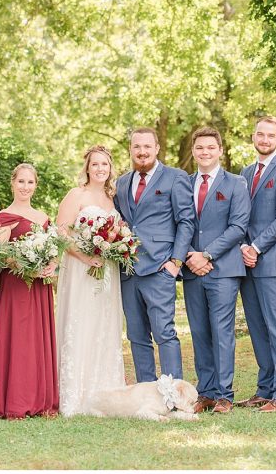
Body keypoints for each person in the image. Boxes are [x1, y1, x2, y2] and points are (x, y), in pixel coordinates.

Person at [114, 127, 194, 383]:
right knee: (136, 336)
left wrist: (175, 262)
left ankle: (173, 393)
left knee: (165, 333)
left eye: (147, 146)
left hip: (160, 269)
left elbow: (186, 221)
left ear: (157, 148)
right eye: (137, 147)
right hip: (128, 270)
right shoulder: (122, 182)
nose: (142, 151)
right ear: (131, 149)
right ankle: (146, 391)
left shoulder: (175, 177)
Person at [235, 116, 276, 413]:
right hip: (246, 264)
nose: (264, 139)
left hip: (273, 262)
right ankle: (266, 388)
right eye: (260, 134)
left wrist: (257, 246)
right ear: (253, 136)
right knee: (258, 328)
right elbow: (238, 216)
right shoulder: (245, 173)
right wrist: (242, 247)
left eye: (270, 135)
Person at [55, 145, 127, 416]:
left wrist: (114, 248)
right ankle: (75, 393)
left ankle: (103, 390)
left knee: (104, 325)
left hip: (107, 271)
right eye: (95, 164)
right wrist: (86, 257)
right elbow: (61, 231)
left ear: (110, 168)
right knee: (81, 322)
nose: (100, 169)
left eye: (104, 165)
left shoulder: (113, 198)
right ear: (87, 167)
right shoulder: (77, 194)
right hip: (82, 270)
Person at [182, 127, 250, 414]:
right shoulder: (183, 184)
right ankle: (206, 392)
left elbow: (238, 227)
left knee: (222, 332)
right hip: (191, 268)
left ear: (220, 150)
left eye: (210, 147)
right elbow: (178, 223)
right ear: (194, 151)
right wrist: (189, 256)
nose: (205, 152)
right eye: (199, 148)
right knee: (199, 331)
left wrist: (207, 254)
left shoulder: (236, 183)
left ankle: (224, 394)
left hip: (223, 268)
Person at [0, 163, 59, 418]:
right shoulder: (4, 216)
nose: (25, 187)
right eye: (21, 182)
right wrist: (20, 264)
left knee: (37, 339)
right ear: (12, 183)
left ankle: (41, 399)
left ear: (36, 186)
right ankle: (17, 400)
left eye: (30, 183)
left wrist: (52, 263)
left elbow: (54, 249)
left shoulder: (42, 217)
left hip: (39, 287)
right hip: (16, 286)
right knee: (18, 340)